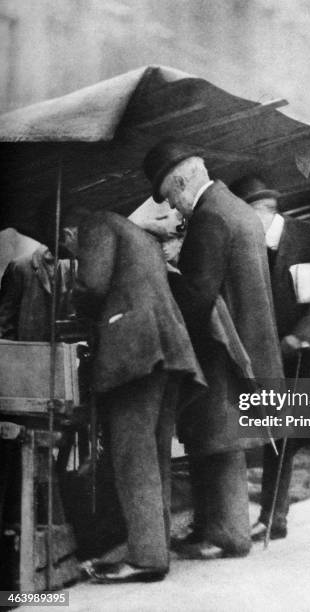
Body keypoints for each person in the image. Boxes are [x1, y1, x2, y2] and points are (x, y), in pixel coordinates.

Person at [143, 142, 283, 559]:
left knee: (217, 440)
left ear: (184, 182)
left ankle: (229, 537)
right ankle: (215, 529)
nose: (175, 208)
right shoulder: (238, 209)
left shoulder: (210, 217)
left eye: (172, 197)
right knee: (223, 440)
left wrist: (165, 276)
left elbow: (197, 296)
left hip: (223, 351)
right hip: (250, 345)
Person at [59, 208, 205, 583]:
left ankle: (146, 559)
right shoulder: (135, 233)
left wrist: (72, 311)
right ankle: (155, 549)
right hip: (166, 354)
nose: (71, 253)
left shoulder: (94, 224)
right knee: (153, 456)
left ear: (67, 231)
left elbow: (91, 285)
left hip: (134, 356)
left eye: (66, 246)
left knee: (131, 456)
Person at [230, 175, 310, 546]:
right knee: (279, 439)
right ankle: (273, 518)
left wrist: (301, 337)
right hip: (279, 362)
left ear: (261, 213)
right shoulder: (251, 249)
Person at [0, 245, 74, 340]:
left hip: (58, 349)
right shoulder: (19, 266)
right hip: (27, 348)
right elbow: (5, 319)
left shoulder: (70, 268)